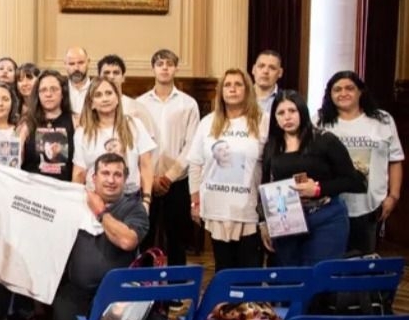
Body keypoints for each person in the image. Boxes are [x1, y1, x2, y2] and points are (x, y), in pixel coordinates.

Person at [52, 153, 149, 320]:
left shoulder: (134, 208)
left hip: (117, 295)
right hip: (79, 290)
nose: (111, 180)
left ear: (125, 179)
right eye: (105, 173)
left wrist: (100, 211)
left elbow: (126, 241)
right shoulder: (76, 203)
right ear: (93, 178)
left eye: (117, 174)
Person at [260, 90, 366, 266]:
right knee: (289, 278)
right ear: (275, 119)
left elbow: (355, 181)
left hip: (326, 217)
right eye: (281, 113)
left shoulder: (325, 140)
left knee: (318, 279)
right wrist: (264, 222)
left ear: (302, 111)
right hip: (286, 218)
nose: (287, 117)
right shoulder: (272, 145)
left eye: (292, 111)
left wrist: (318, 188)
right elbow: (265, 184)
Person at [187, 69, 267, 271]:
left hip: (248, 206)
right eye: (228, 85)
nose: (232, 89)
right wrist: (195, 200)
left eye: (238, 84)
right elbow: (195, 163)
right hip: (216, 206)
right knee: (223, 269)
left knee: (249, 270)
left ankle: (248, 304)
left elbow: (271, 162)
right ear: (221, 91)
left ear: (247, 89)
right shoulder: (208, 122)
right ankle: (225, 304)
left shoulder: (261, 120)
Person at [317, 71, 403, 254]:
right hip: (331, 206)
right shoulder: (320, 121)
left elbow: (395, 160)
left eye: (349, 88)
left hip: (372, 207)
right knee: (333, 264)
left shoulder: (382, 120)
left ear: (360, 92)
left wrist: (393, 196)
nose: (343, 93)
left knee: (364, 265)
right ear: (330, 95)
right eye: (337, 89)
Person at [135, 49, 200, 266]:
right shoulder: (140, 103)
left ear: (176, 68)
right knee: (146, 235)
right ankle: (146, 290)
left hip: (177, 181)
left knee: (177, 239)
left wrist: (169, 177)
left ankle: (176, 291)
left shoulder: (188, 104)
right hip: (147, 180)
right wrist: (151, 178)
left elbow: (192, 144)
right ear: (153, 68)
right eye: (160, 63)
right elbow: (136, 142)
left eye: (169, 63)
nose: (164, 67)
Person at [73, 76, 156, 208]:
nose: (105, 99)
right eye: (98, 95)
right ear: (92, 103)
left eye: (109, 93)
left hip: (130, 199)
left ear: (117, 98)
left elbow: (146, 165)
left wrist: (146, 200)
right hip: (95, 200)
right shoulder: (82, 133)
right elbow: (79, 173)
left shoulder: (134, 125)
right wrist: (76, 204)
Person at [19, 69, 76, 181]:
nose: (48, 94)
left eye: (53, 89)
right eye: (43, 90)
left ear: (63, 93)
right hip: (32, 190)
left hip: (63, 190)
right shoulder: (27, 123)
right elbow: (18, 158)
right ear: (38, 95)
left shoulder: (75, 121)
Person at [64, 47, 91, 116]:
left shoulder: (97, 89)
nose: (76, 68)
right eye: (71, 64)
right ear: (65, 65)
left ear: (88, 62)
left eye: (81, 63)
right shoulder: (60, 90)